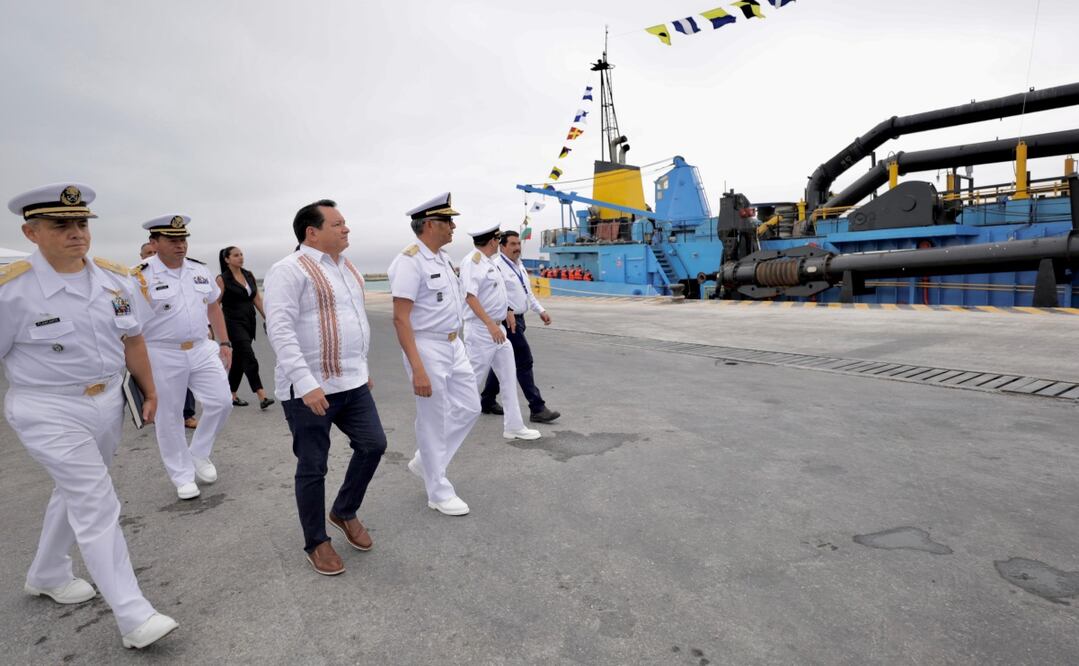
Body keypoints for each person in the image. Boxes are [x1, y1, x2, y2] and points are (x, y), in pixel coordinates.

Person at [1, 183, 178, 648]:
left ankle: (47, 572)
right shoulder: (12, 291)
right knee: (96, 501)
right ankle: (134, 614)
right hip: (47, 406)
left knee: (76, 489)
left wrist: (150, 390)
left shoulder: (115, 280)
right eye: (61, 225)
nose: (76, 232)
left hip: (106, 403)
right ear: (31, 232)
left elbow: (134, 339)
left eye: (81, 223)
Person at [264, 199, 386, 576]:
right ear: (311, 232)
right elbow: (279, 329)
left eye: (346, 223)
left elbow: (353, 321)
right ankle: (316, 541)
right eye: (338, 224)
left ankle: (343, 511)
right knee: (313, 466)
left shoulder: (348, 268)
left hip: (351, 382)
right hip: (309, 391)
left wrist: (361, 368)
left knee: (374, 444)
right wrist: (305, 383)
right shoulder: (288, 270)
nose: (346, 229)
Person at [387, 192, 479, 516]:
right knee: (432, 419)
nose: (453, 226)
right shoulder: (409, 262)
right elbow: (400, 318)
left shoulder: (441, 258)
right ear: (429, 224)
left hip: (454, 344)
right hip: (426, 346)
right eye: (447, 221)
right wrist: (418, 368)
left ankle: (425, 461)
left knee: (470, 407)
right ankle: (437, 491)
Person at [133, 215, 233, 500]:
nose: (180, 245)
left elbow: (214, 305)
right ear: (154, 242)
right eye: (172, 240)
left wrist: (224, 341)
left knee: (222, 402)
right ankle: (182, 475)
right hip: (162, 351)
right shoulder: (139, 275)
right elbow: (133, 326)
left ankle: (199, 452)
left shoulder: (199, 270)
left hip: (202, 347)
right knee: (170, 415)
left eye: (183, 239)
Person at [459, 223, 541, 441]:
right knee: (471, 380)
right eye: (499, 240)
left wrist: (506, 312)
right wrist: (490, 324)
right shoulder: (473, 262)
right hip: (482, 331)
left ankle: (514, 426)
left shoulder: (488, 263)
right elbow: (470, 296)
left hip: (498, 328)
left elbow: (493, 294)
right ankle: (447, 425)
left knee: (507, 376)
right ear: (494, 241)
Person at [480, 230, 561, 423]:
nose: (517, 248)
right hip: (507, 321)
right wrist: (506, 311)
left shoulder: (519, 265)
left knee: (503, 361)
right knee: (524, 361)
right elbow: (493, 296)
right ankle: (537, 408)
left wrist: (540, 311)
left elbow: (527, 293)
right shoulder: (497, 267)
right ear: (502, 246)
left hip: (520, 319)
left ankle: (487, 400)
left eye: (518, 244)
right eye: (513, 244)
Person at [141, 242, 199, 429]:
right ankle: (156, 411)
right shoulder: (138, 277)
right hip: (155, 346)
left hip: (187, 344)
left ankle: (187, 414)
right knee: (161, 391)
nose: (151, 255)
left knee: (186, 383)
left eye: (153, 252)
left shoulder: (187, 271)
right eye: (147, 253)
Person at [216, 246, 273, 410]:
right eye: (236, 255)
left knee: (240, 361)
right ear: (227, 259)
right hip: (232, 323)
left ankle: (230, 394)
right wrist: (211, 327)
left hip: (249, 322)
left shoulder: (249, 275)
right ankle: (262, 394)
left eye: (241, 255)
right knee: (249, 357)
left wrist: (269, 319)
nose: (240, 257)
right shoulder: (222, 279)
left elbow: (257, 299)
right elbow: (215, 305)